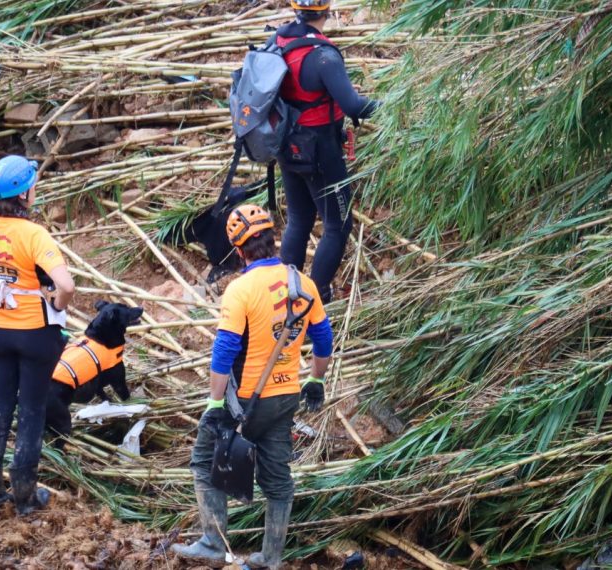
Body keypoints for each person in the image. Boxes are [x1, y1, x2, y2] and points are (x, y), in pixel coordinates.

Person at [172, 204, 333, 569]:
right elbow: (324, 339)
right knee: (277, 479)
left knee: (203, 461)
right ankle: (270, 558)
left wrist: (215, 403)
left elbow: (225, 350)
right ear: (273, 240)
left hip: (243, 399)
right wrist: (316, 380)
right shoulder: (302, 284)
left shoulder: (240, 289)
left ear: (240, 250)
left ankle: (213, 544)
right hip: (285, 396)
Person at [0, 155, 75, 515]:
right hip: (33, 336)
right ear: (24, 194)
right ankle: (25, 496)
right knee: (31, 410)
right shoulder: (34, 234)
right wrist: (57, 302)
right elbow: (66, 285)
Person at [273, 0, 380, 303]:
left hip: (286, 144)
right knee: (337, 224)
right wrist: (394, 105)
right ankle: (313, 297)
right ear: (327, 9)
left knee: (299, 218)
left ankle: (284, 296)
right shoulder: (323, 57)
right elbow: (354, 106)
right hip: (320, 150)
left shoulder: (279, 40)